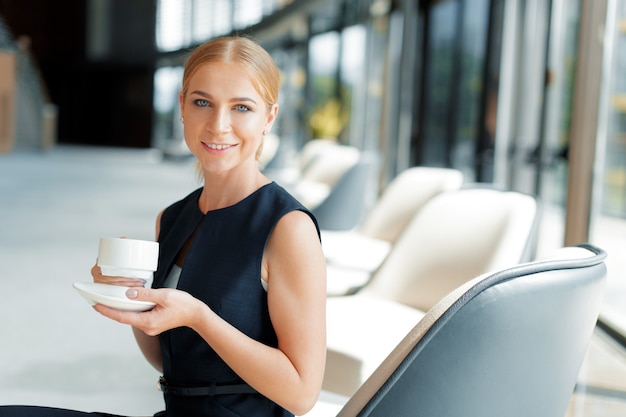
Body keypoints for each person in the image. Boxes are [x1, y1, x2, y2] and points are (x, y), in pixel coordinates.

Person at [0, 36, 327, 417]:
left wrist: (199, 317)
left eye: (241, 107)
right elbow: (171, 362)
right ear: (182, 107)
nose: (219, 125)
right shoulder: (173, 217)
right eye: (202, 102)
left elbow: (302, 395)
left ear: (268, 118)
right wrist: (132, 299)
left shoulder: (288, 228)